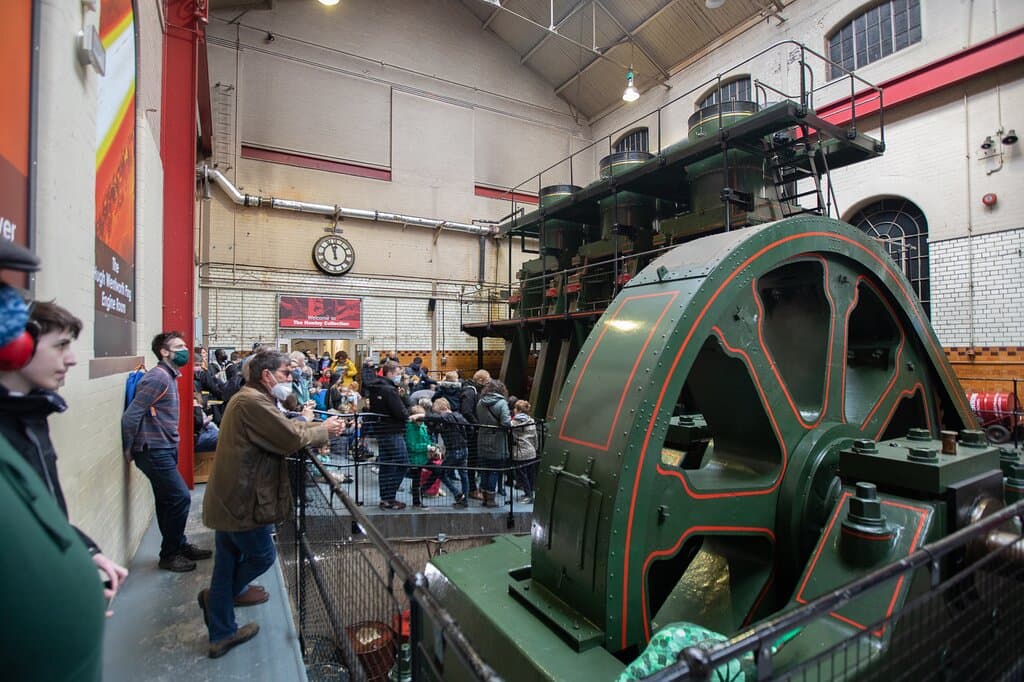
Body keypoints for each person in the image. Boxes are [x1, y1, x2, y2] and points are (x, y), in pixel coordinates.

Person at [200, 350, 346, 658]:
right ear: (267, 376)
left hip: (233, 495)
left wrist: (308, 425)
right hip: (243, 497)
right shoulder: (251, 402)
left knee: (226, 559)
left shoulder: (252, 399)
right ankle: (218, 601)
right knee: (262, 555)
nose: (290, 379)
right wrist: (324, 430)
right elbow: (287, 437)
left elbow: (284, 428)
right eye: (286, 373)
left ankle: (221, 629)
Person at [0, 299, 129, 609]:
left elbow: (44, 511)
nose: (71, 359)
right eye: (60, 346)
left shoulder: (32, 418)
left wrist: (83, 552)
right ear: (17, 346)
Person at [122, 331, 212, 572]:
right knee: (180, 497)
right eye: (179, 346)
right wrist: (128, 448)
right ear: (164, 351)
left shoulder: (169, 376)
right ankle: (170, 554)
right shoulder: (158, 378)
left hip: (164, 447)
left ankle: (178, 544)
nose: (185, 350)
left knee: (166, 500)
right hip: (153, 449)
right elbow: (131, 415)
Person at [365, 360, 411, 510]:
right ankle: (390, 497)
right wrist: (403, 399)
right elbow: (401, 413)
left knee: (385, 464)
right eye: (398, 374)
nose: (399, 377)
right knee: (403, 462)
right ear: (390, 373)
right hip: (392, 431)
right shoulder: (389, 390)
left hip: (381, 430)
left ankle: (385, 498)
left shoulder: (375, 388)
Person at [419, 397, 469, 507]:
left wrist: (422, 416)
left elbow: (440, 419)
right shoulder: (458, 416)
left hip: (454, 450)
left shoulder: (447, 416)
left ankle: (456, 494)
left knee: (440, 472)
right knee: (463, 475)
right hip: (464, 448)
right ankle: (464, 500)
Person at [475, 379, 510, 508]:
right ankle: (491, 500)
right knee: (494, 470)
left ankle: (484, 497)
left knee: (484, 469)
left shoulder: (480, 402)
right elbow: (506, 423)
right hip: (497, 441)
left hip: (482, 439)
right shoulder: (502, 403)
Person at [511, 400, 539, 503]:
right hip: (531, 451)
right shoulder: (531, 421)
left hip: (521, 452)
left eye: (515, 408)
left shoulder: (515, 422)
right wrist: (535, 449)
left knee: (522, 474)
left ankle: (528, 495)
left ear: (518, 410)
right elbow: (535, 437)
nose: (513, 410)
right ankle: (530, 493)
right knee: (530, 474)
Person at [405, 405, 431, 508]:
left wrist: (433, 446)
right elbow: (412, 446)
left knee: (439, 471)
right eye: (419, 419)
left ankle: (420, 493)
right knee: (416, 480)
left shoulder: (422, 426)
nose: (421, 422)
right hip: (415, 459)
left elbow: (427, 440)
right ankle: (417, 502)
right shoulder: (411, 428)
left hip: (423, 457)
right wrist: (427, 447)